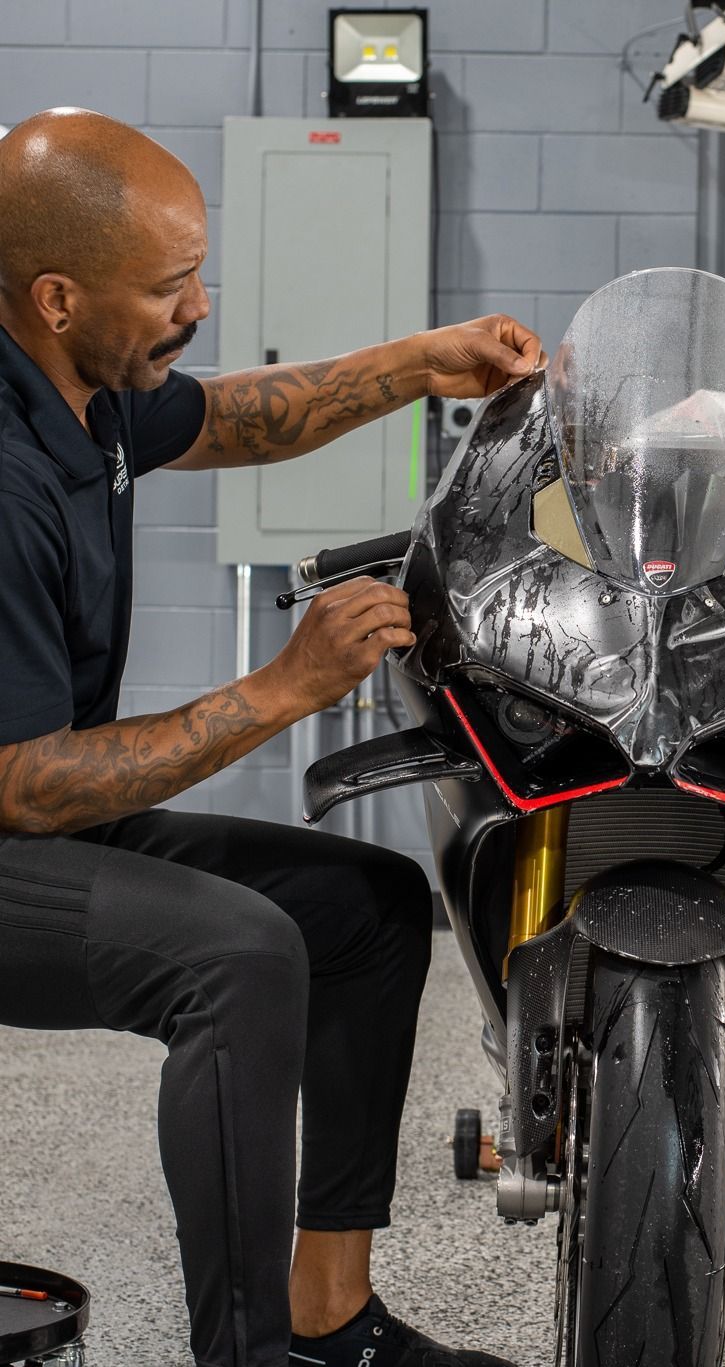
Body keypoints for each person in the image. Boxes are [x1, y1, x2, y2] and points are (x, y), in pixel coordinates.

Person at [0, 108, 540, 1367]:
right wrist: (286, 685)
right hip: (15, 817)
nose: (198, 308)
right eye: (170, 288)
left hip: (41, 818)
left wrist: (423, 361)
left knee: (368, 907)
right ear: (59, 297)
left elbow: (239, 417)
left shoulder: (81, 385)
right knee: (237, 954)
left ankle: (324, 1320)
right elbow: (24, 787)